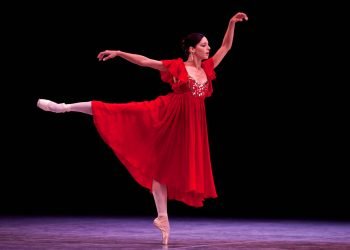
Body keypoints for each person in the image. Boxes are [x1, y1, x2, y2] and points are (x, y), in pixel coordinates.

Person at [37, 12, 248, 245]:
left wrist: (231, 23)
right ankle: (64, 107)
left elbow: (226, 46)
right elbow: (145, 61)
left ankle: (162, 218)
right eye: (204, 45)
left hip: (190, 127)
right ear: (191, 49)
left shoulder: (208, 68)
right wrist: (119, 53)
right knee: (118, 111)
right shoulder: (177, 67)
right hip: (166, 114)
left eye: (208, 45)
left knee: (163, 169)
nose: (209, 48)